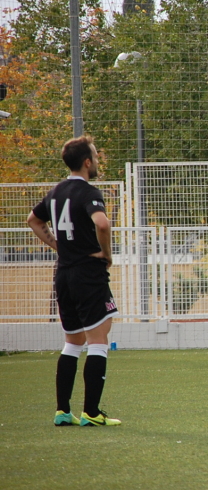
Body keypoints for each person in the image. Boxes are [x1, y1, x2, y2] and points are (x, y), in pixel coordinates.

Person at [27, 135, 121, 426]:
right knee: (98, 340)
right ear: (87, 162)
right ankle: (91, 413)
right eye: (94, 154)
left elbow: (33, 219)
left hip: (64, 274)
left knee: (72, 342)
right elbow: (102, 223)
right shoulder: (88, 192)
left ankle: (62, 411)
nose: (96, 160)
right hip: (87, 274)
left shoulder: (55, 192)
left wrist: (58, 246)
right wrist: (106, 254)